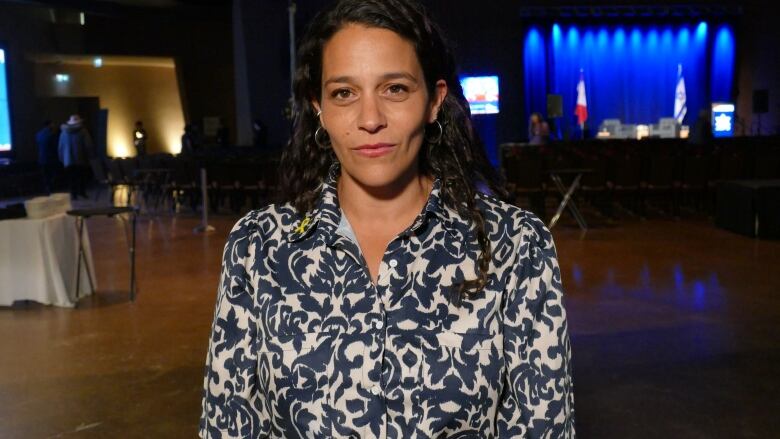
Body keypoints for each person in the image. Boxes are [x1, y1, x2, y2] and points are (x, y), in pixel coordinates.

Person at [199, 1, 575, 438]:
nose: (370, 119)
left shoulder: (516, 246)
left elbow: (543, 427)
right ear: (317, 106)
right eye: (344, 93)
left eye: (394, 89)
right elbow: (228, 425)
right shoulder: (258, 247)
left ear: (434, 102)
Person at [36, 120, 60, 194]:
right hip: (51, 158)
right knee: (52, 174)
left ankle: (47, 189)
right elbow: (56, 146)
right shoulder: (52, 134)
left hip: (42, 158)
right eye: (53, 124)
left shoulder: (38, 134)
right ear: (49, 125)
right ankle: (50, 189)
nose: (54, 125)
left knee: (45, 176)